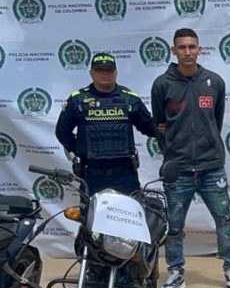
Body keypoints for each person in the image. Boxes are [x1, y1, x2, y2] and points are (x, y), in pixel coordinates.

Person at [150, 28, 230, 288]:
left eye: (192, 47)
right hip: (177, 169)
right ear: (174, 50)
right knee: (174, 225)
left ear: (200, 49)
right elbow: (159, 125)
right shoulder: (162, 84)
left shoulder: (214, 82)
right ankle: (176, 273)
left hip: (211, 166)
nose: (187, 52)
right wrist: (174, 153)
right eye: (182, 47)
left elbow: (217, 120)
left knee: (224, 219)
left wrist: (208, 144)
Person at [55, 52, 158, 195]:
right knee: (90, 217)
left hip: (125, 176)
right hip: (91, 175)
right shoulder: (77, 100)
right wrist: (80, 148)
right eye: (100, 70)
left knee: (130, 216)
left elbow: (149, 127)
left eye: (109, 70)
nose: (105, 74)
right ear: (91, 73)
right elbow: (62, 132)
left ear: (116, 73)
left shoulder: (129, 99)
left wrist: (168, 121)